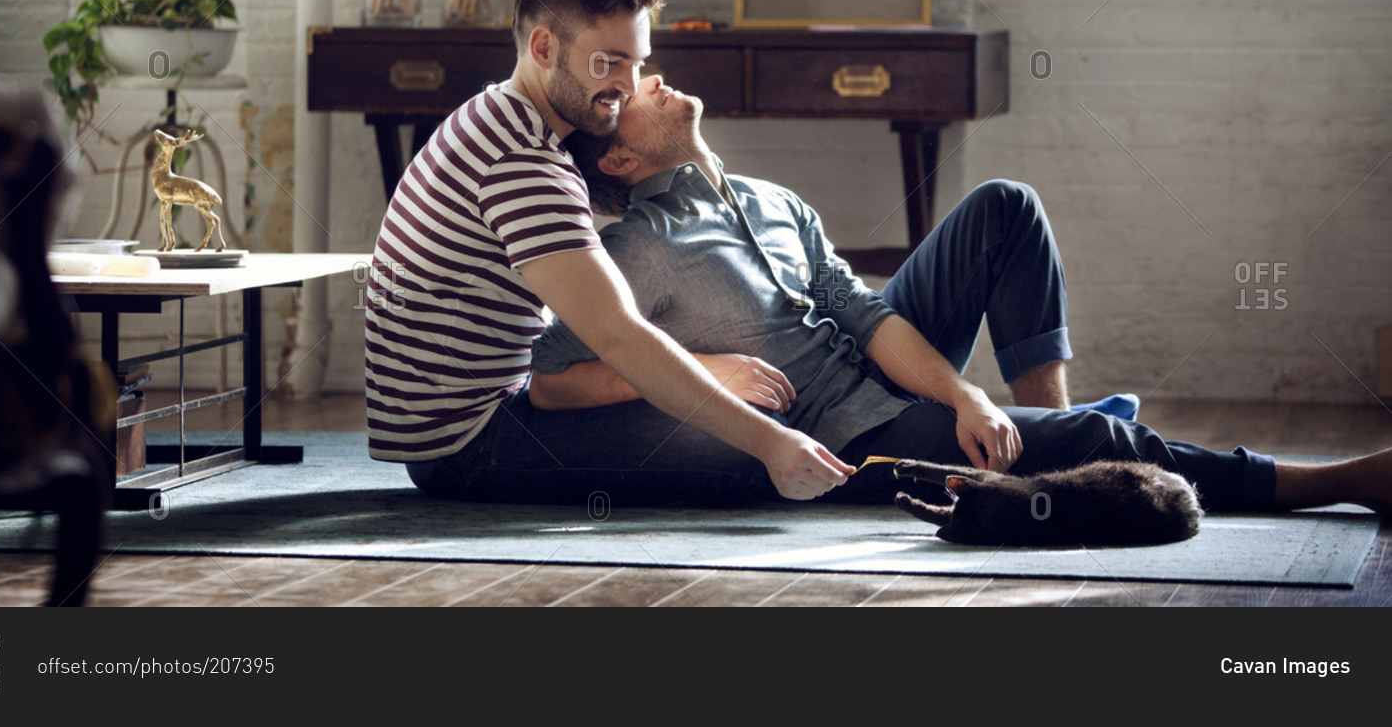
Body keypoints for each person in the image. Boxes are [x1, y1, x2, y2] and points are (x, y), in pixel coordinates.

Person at [518, 73, 1392, 516]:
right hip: (856, 428)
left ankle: (1034, 434)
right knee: (1102, 435)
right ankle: (1333, 482)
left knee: (1002, 207)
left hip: (877, 366)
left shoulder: (763, 198)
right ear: (623, 162)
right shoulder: (633, 246)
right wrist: (703, 372)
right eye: (636, 94)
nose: (658, 79)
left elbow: (863, 311)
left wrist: (968, 391)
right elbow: (549, 380)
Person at [363, 0, 852, 503]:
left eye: (637, 62)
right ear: (544, 47)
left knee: (741, 414)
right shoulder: (523, 162)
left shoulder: (496, 115)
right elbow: (618, 334)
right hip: (471, 446)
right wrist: (772, 444)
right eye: (609, 61)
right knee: (768, 444)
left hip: (451, 430)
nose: (628, 83)